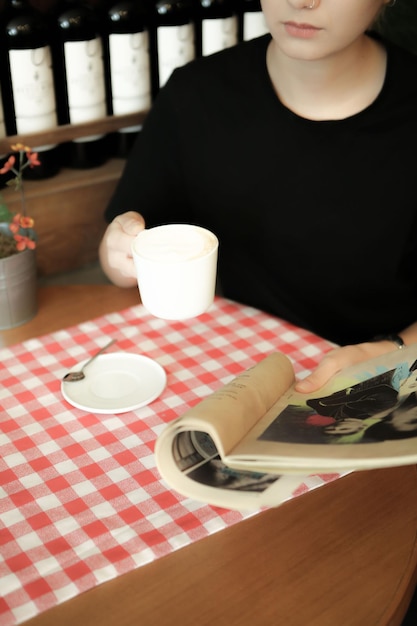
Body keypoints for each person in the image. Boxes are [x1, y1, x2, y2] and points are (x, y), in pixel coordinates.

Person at [99, 0, 417, 393]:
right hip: (242, 367)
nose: (303, 1)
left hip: (390, 377)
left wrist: (393, 349)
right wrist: (120, 251)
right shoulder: (197, 93)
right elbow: (123, 256)